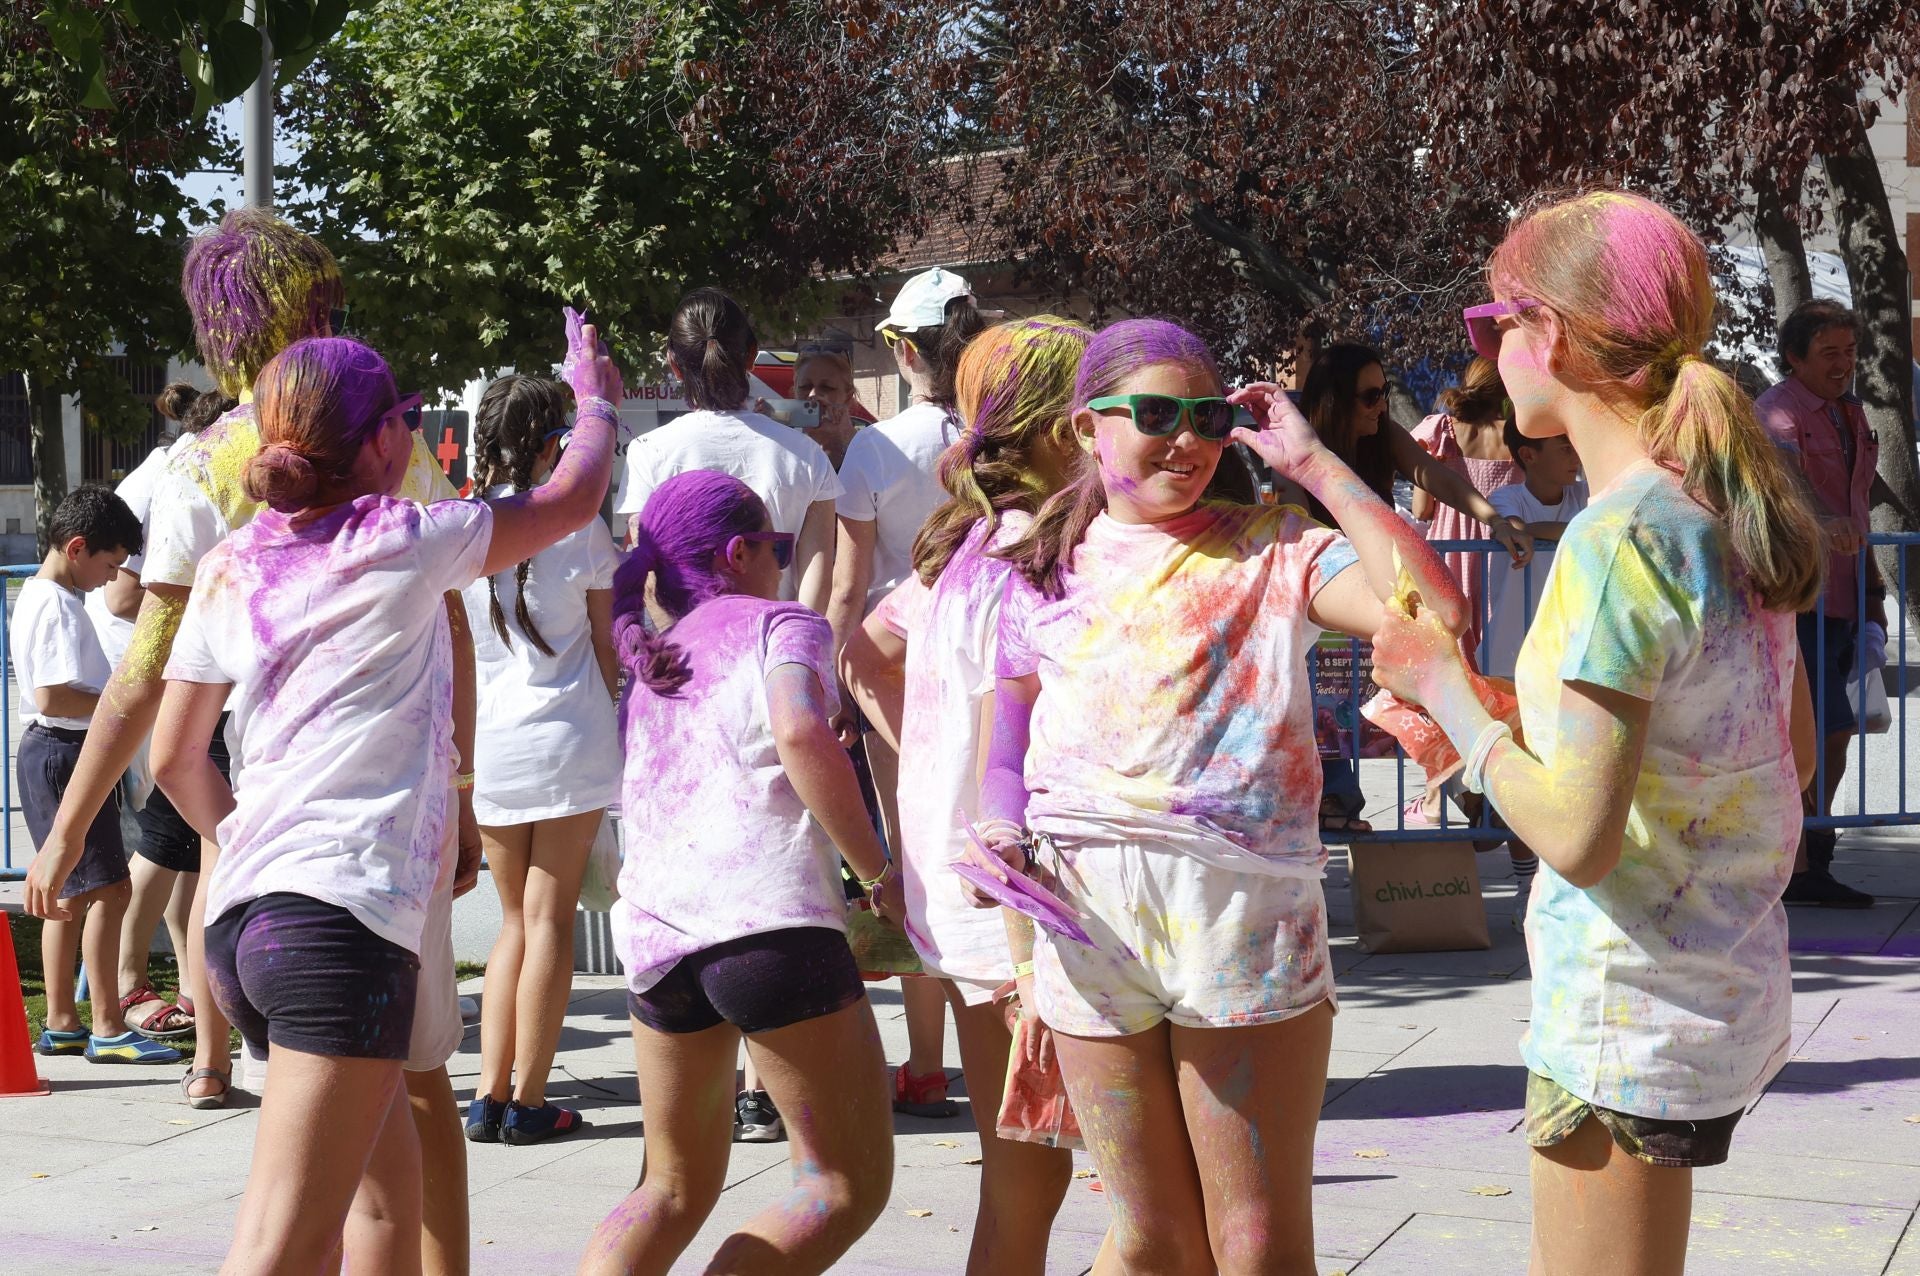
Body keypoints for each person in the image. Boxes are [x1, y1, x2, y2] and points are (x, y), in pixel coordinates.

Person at [1371, 191, 1823, 1276]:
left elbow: (1578, 838)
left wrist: (1445, 696)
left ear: (1554, 337)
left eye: (1493, 327)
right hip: (1715, 988)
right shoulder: (1718, 509)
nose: (1484, 354)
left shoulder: (1616, 541)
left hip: (1625, 1013)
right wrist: (1521, 728)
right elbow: (1783, 754)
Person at [23, 208, 480, 1272]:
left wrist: (70, 829)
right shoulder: (383, 428)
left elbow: (147, 687)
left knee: (325, 1139)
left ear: (217, 328)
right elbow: (452, 631)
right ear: (316, 298)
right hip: (390, 823)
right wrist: (456, 792)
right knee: (404, 1102)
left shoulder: (203, 469)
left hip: (280, 842)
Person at [976, 318, 1465, 1273]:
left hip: (1242, 917)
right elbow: (1007, 748)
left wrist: (1317, 464)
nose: (1189, 440)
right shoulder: (1037, 568)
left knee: (1256, 1244)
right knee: (1153, 1241)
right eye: (1156, 414)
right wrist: (997, 828)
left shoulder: (1274, 547)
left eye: (1205, 416)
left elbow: (1435, 612)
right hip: (1088, 923)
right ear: (1086, 429)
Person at [150, 327, 619, 1274]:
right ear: (376, 446)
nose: (411, 432)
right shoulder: (404, 539)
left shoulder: (232, 566)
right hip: (335, 931)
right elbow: (572, 495)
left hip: (250, 928)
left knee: (380, 1211)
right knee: (279, 1245)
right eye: (403, 417)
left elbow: (173, 758)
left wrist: (250, 842)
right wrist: (594, 397)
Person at [580, 470, 901, 1276]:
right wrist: (876, 872)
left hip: (658, 946)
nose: (786, 566)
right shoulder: (781, 623)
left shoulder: (652, 660)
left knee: (668, 1190)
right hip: (770, 931)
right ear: (738, 552)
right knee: (840, 1185)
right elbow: (800, 732)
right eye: (781, 548)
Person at [840, 315, 1091, 1275]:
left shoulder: (970, 549)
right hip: (1017, 910)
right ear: (1065, 426)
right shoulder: (1037, 556)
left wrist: (923, 761)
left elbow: (865, 654)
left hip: (974, 893)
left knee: (1022, 1175)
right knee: (1070, 1178)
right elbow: (991, 712)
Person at [827, 266, 987, 1118]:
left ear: (901, 349)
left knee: (916, 863)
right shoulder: (1005, 435)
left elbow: (849, 589)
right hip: (996, 657)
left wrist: (831, 686)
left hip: (897, 667)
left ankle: (927, 1063)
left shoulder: (877, 448)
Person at [462, 375, 620, 1145]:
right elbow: (607, 639)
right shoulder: (578, 527)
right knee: (551, 918)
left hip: (493, 743)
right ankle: (530, 1098)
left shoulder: (458, 525)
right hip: (568, 733)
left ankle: (489, 1095)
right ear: (555, 439)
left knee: (513, 925)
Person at [1290, 344, 1533, 839]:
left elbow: (1434, 477)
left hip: (1374, 593)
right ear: (1336, 400)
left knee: (1418, 688)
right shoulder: (1298, 442)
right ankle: (1338, 799)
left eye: (1384, 391)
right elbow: (1295, 524)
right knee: (1324, 707)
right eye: (1370, 395)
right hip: (1319, 599)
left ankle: (1468, 786)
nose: (1381, 404)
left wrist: (1494, 519)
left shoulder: (1384, 436)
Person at [92, 385, 236, 1043]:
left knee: (192, 848)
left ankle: (189, 988)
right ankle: (128, 985)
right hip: (173, 684)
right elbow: (126, 598)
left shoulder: (188, 465)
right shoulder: (181, 476)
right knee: (165, 839)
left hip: (199, 683)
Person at [18, 485, 181, 1065]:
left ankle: (64, 1021)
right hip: (65, 753)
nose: (110, 579)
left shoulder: (43, 597)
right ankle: (109, 1026)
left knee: (63, 892)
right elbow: (55, 694)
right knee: (111, 890)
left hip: (48, 753)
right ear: (79, 547)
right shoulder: (59, 604)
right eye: (110, 566)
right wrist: (123, 701)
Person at [1755, 299, 1887, 908]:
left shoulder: (1850, 413)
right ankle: (1803, 856)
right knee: (1822, 728)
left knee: (1838, 727)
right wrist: (1823, 518)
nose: (1844, 364)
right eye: (1830, 353)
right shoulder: (1777, 411)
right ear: (1795, 358)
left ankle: (1810, 847)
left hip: (1850, 591)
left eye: (1850, 352)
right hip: (1797, 595)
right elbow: (1785, 484)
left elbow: (1860, 491)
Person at [614, 287, 841, 613]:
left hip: (689, 650)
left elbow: (649, 571)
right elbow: (816, 576)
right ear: (751, 356)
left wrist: (674, 647)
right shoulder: (806, 455)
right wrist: (799, 649)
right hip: (777, 649)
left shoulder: (649, 452)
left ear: (673, 364)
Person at [1409, 357, 1525, 657]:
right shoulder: (1518, 435)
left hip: (1450, 552)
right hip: (1502, 553)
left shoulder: (1442, 431)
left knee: (1451, 647)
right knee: (1498, 650)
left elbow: (1421, 510)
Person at [790, 350, 861, 468]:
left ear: (848, 396)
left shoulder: (868, 448)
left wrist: (837, 442)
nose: (813, 394)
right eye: (804, 387)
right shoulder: (786, 443)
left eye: (827, 387)